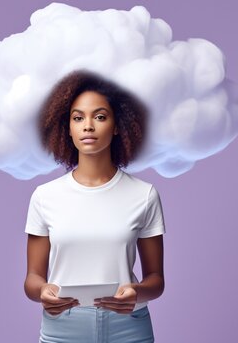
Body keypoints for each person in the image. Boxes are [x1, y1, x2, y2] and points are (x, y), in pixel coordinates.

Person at [24, 69, 166, 343]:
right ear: (68, 127)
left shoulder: (144, 195)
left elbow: (156, 279)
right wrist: (43, 291)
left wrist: (137, 293)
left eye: (99, 117)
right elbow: (32, 277)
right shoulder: (45, 196)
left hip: (128, 328)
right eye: (78, 118)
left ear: (116, 126)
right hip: (63, 330)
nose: (88, 126)